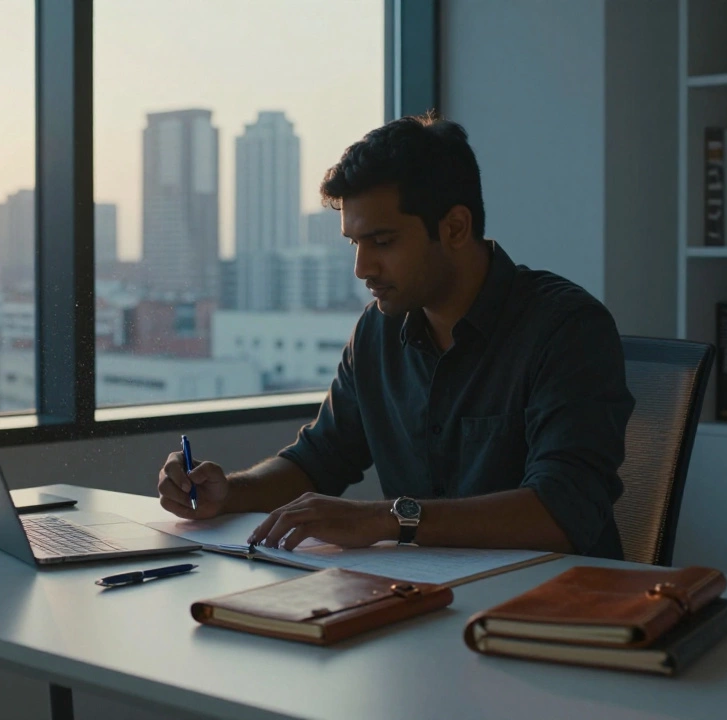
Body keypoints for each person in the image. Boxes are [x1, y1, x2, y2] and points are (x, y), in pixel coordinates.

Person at [156, 112, 635, 559]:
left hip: (556, 615)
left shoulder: (565, 328)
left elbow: (562, 511)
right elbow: (317, 460)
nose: (362, 268)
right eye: (354, 244)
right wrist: (229, 493)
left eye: (382, 242)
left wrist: (388, 519)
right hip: (427, 605)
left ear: (454, 227)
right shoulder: (377, 331)